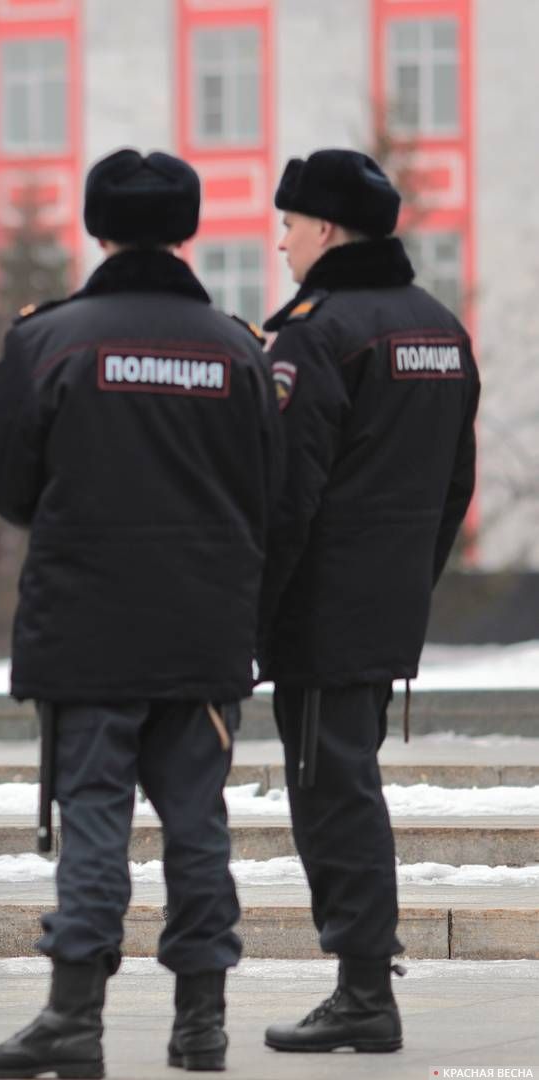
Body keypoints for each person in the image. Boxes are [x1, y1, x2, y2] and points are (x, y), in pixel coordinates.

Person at [0, 150, 280, 1078]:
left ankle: (74, 1019)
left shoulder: (50, 340)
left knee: (93, 820)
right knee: (198, 823)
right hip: (205, 629)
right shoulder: (238, 347)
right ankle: (201, 1023)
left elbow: (3, 478)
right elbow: (273, 489)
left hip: (88, 625)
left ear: (97, 231)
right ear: (188, 233)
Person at [257, 150, 479, 1054]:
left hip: (321, 610)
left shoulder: (318, 331)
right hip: (387, 604)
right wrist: (405, 586)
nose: (280, 242)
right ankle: (363, 982)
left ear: (328, 230)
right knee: (350, 779)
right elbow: (455, 487)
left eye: (290, 225)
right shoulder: (439, 327)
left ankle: (362, 992)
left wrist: (254, 609)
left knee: (331, 792)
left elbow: (287, 490)